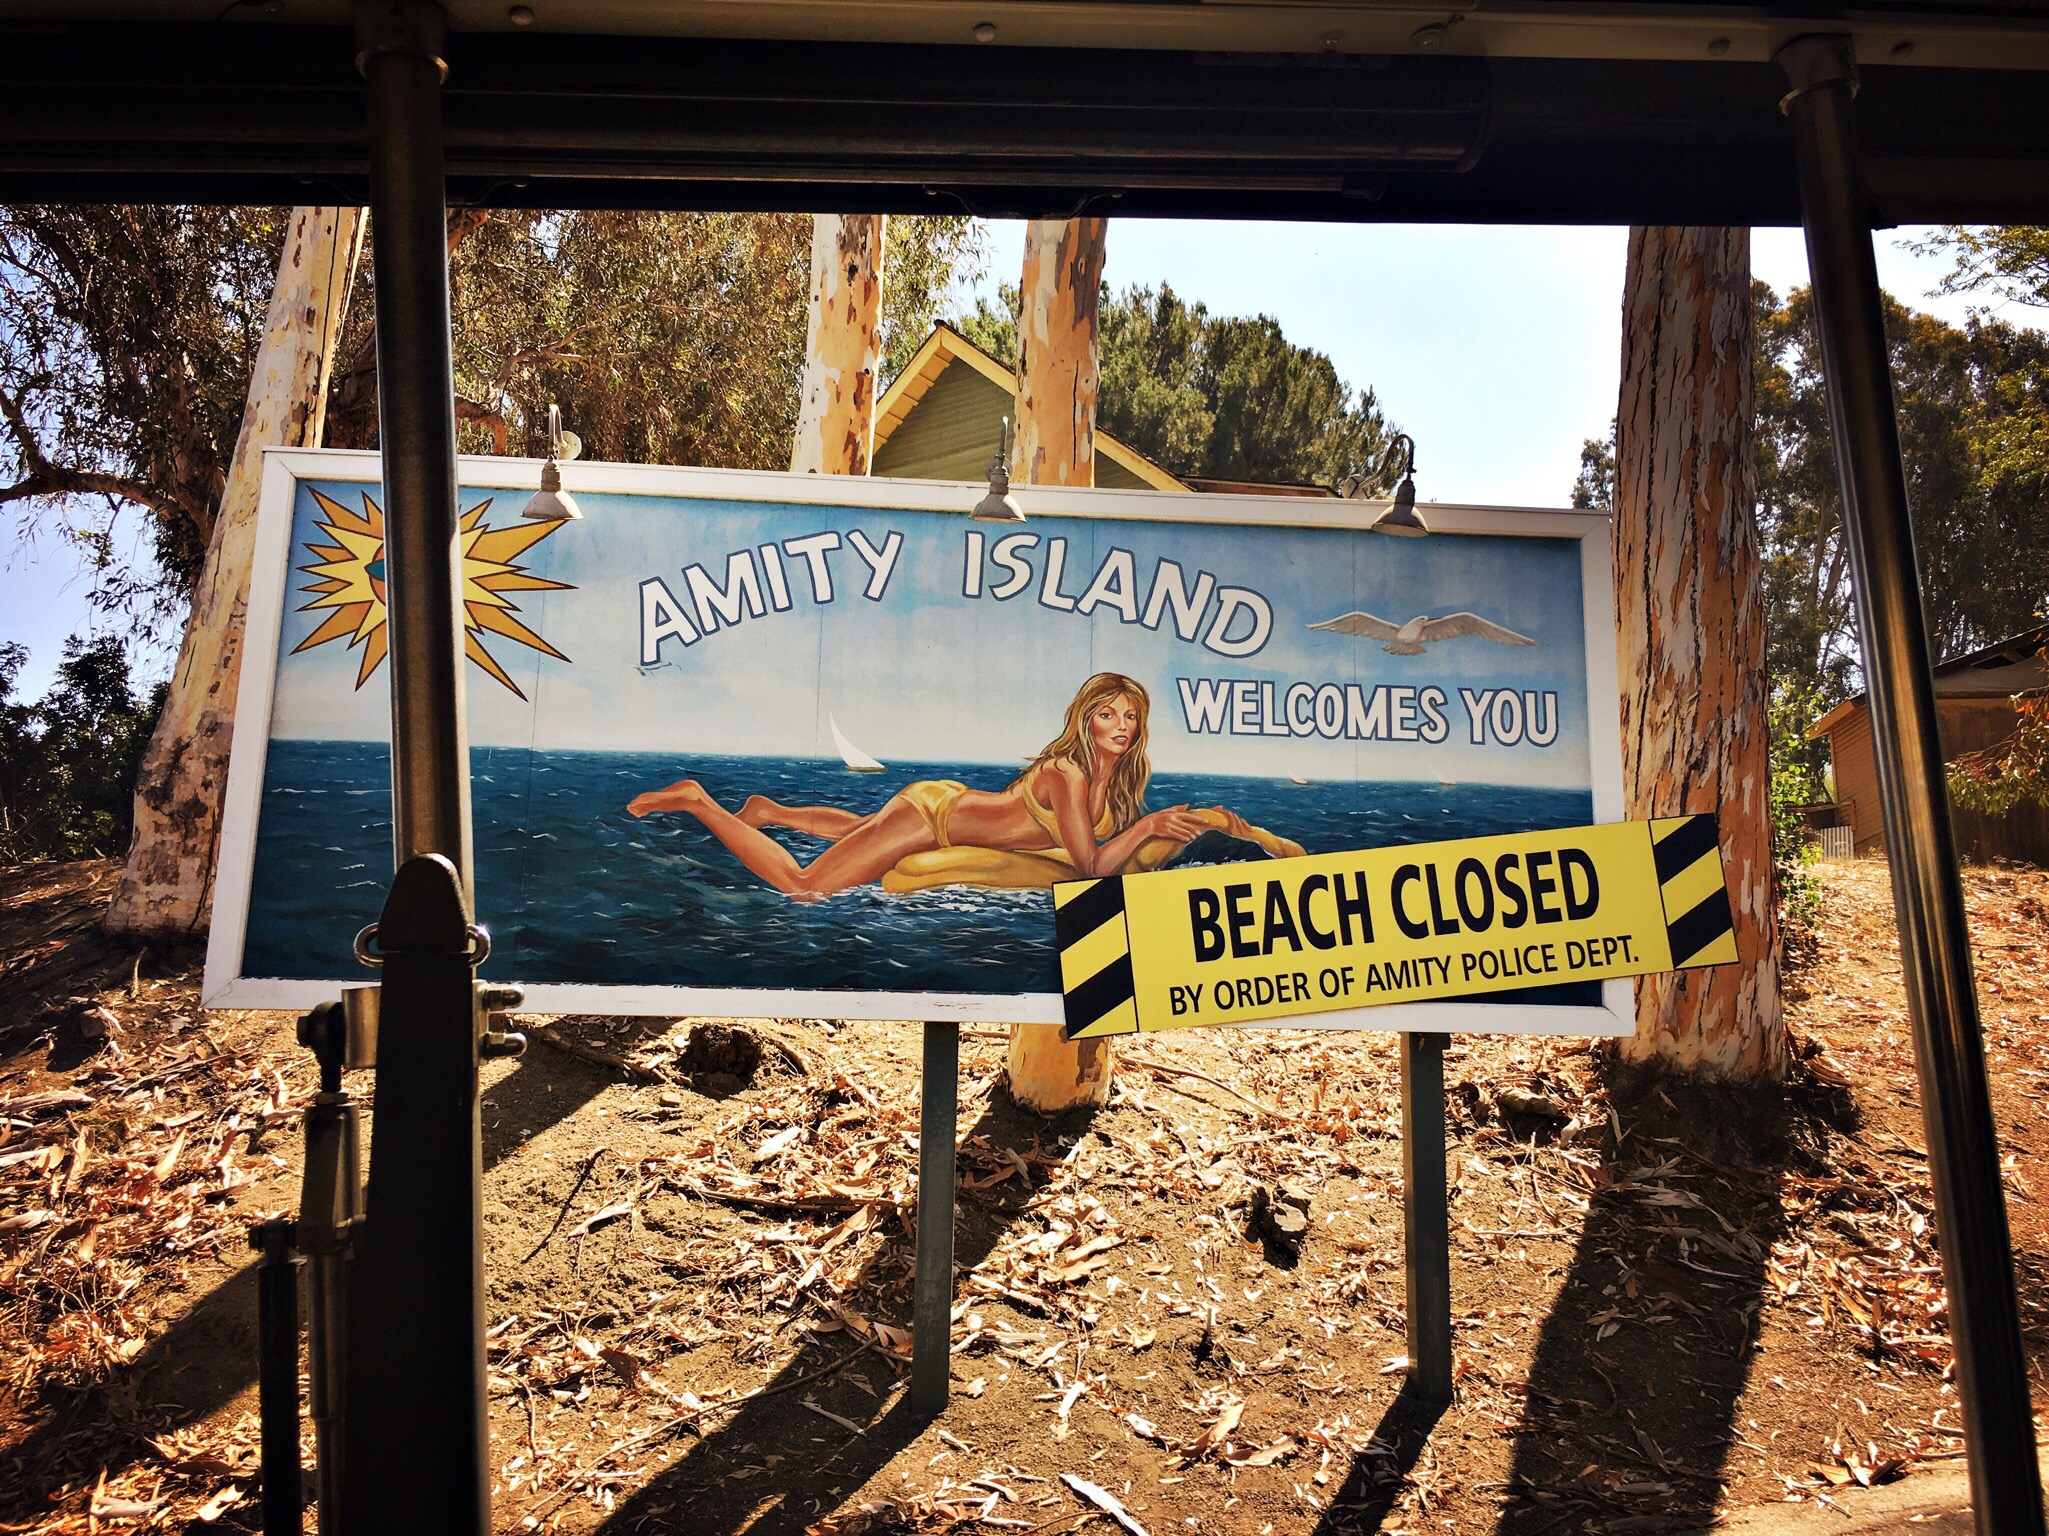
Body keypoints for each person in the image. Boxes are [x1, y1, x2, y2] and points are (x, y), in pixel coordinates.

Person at [626, 672, 1250, 901]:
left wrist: (1206, 827)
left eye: (1130, 716)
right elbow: (1090, 866)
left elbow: (1098, 852)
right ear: (1086, 719)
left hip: (950, 807)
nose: (1120, 726)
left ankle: (770, 810)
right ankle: (697, 800)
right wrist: (1147, 829)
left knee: (864, 835)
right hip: (933, 818)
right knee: (806, 886)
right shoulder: (1068, 774)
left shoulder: (1117, 784)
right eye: (1107, 714)